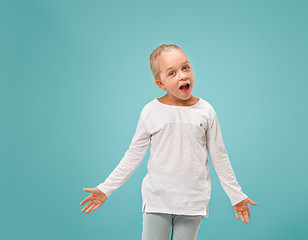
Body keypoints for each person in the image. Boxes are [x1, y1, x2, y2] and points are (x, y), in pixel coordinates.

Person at [80, 44, 258, 240]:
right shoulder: (151, 111)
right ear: (160, 83)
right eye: (172, 73)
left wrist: (236, 195)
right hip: (157, 201)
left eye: (186, 67)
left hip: (192, 202)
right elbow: (133, 156)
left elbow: (219, 156)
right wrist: (106, 188)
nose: (182, 76)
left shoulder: (206, 111)